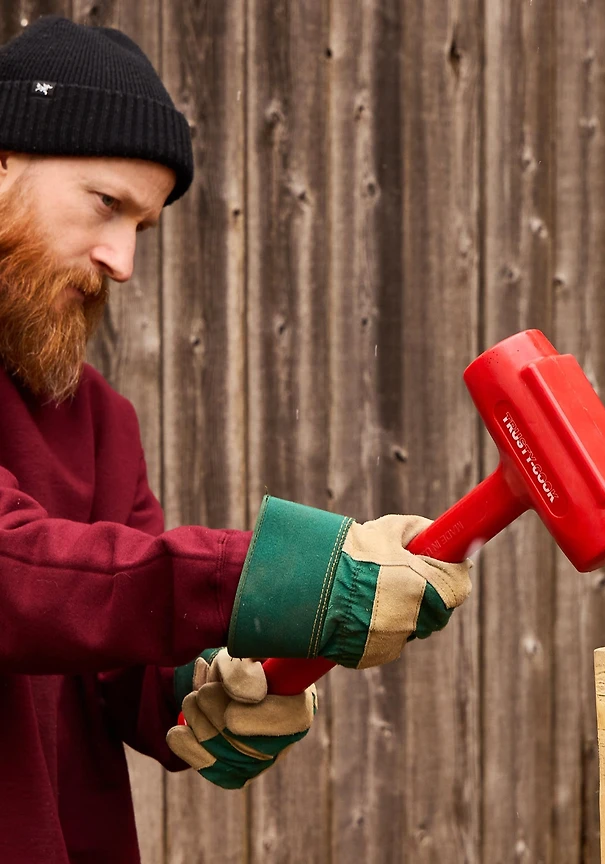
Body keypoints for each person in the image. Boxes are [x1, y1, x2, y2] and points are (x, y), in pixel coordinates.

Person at [0, 16, 472, 864]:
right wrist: (271, 573)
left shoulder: (99, 417)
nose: (122, 262)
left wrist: (206, 686)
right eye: (106, 204)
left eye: (141, 229)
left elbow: (116, 658)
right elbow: (16, 572)